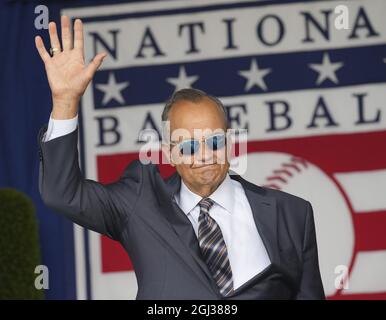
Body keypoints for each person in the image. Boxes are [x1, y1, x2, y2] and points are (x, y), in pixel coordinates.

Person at [35, 16, 325, 299]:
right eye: (187, 146)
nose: (203, 155)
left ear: (230, 142)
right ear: (169, 153)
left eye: (213, 141)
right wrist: (65, 102)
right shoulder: (140, 204)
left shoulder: (291, 215)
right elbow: (62, 194)